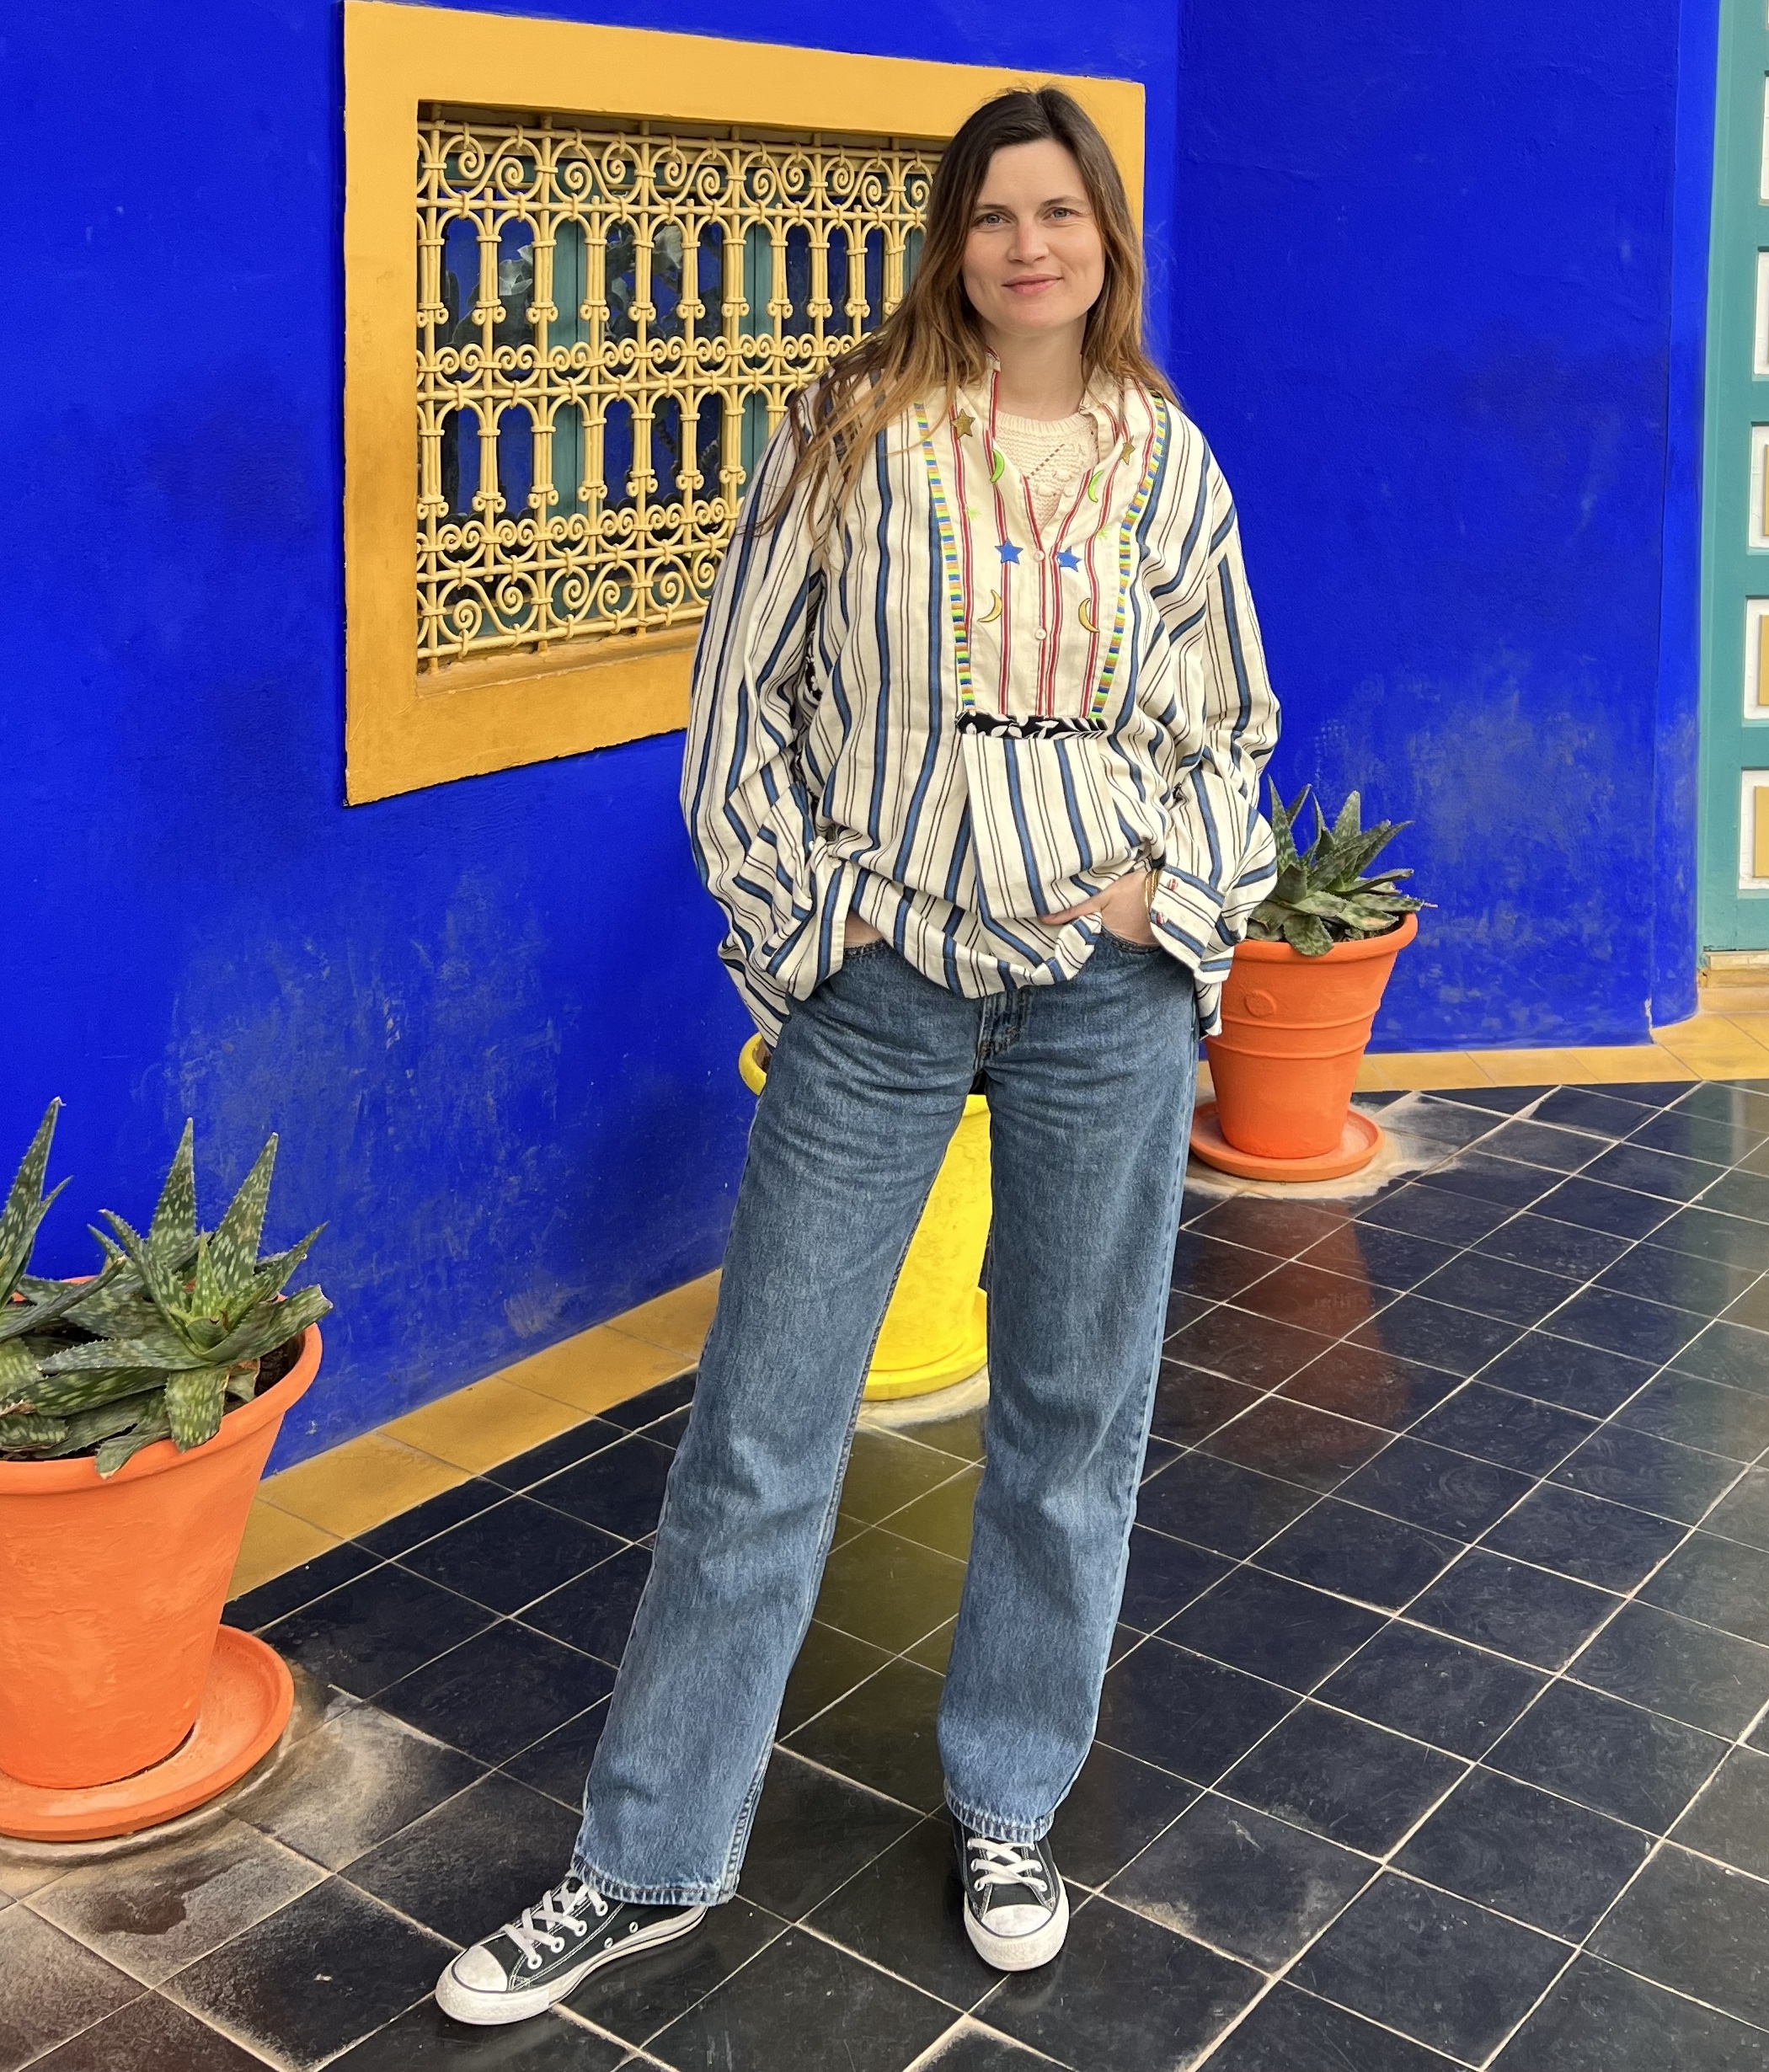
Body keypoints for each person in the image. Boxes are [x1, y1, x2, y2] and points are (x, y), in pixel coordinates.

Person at [436, 83, 1280, 2026]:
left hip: (1103, 990)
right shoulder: (845, 436)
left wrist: (1174, 896)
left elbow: (1233, 723)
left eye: (1058, 212)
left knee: (1075, 1416)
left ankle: (1009, 1799)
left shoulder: (1168, 465)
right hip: (884, 985)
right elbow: (741, 716)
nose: (1025, 247)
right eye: (992, 215)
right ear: (952, 240)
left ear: (1106, 239)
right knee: (761, 1425)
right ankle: (642, 1855)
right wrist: (822, 929)